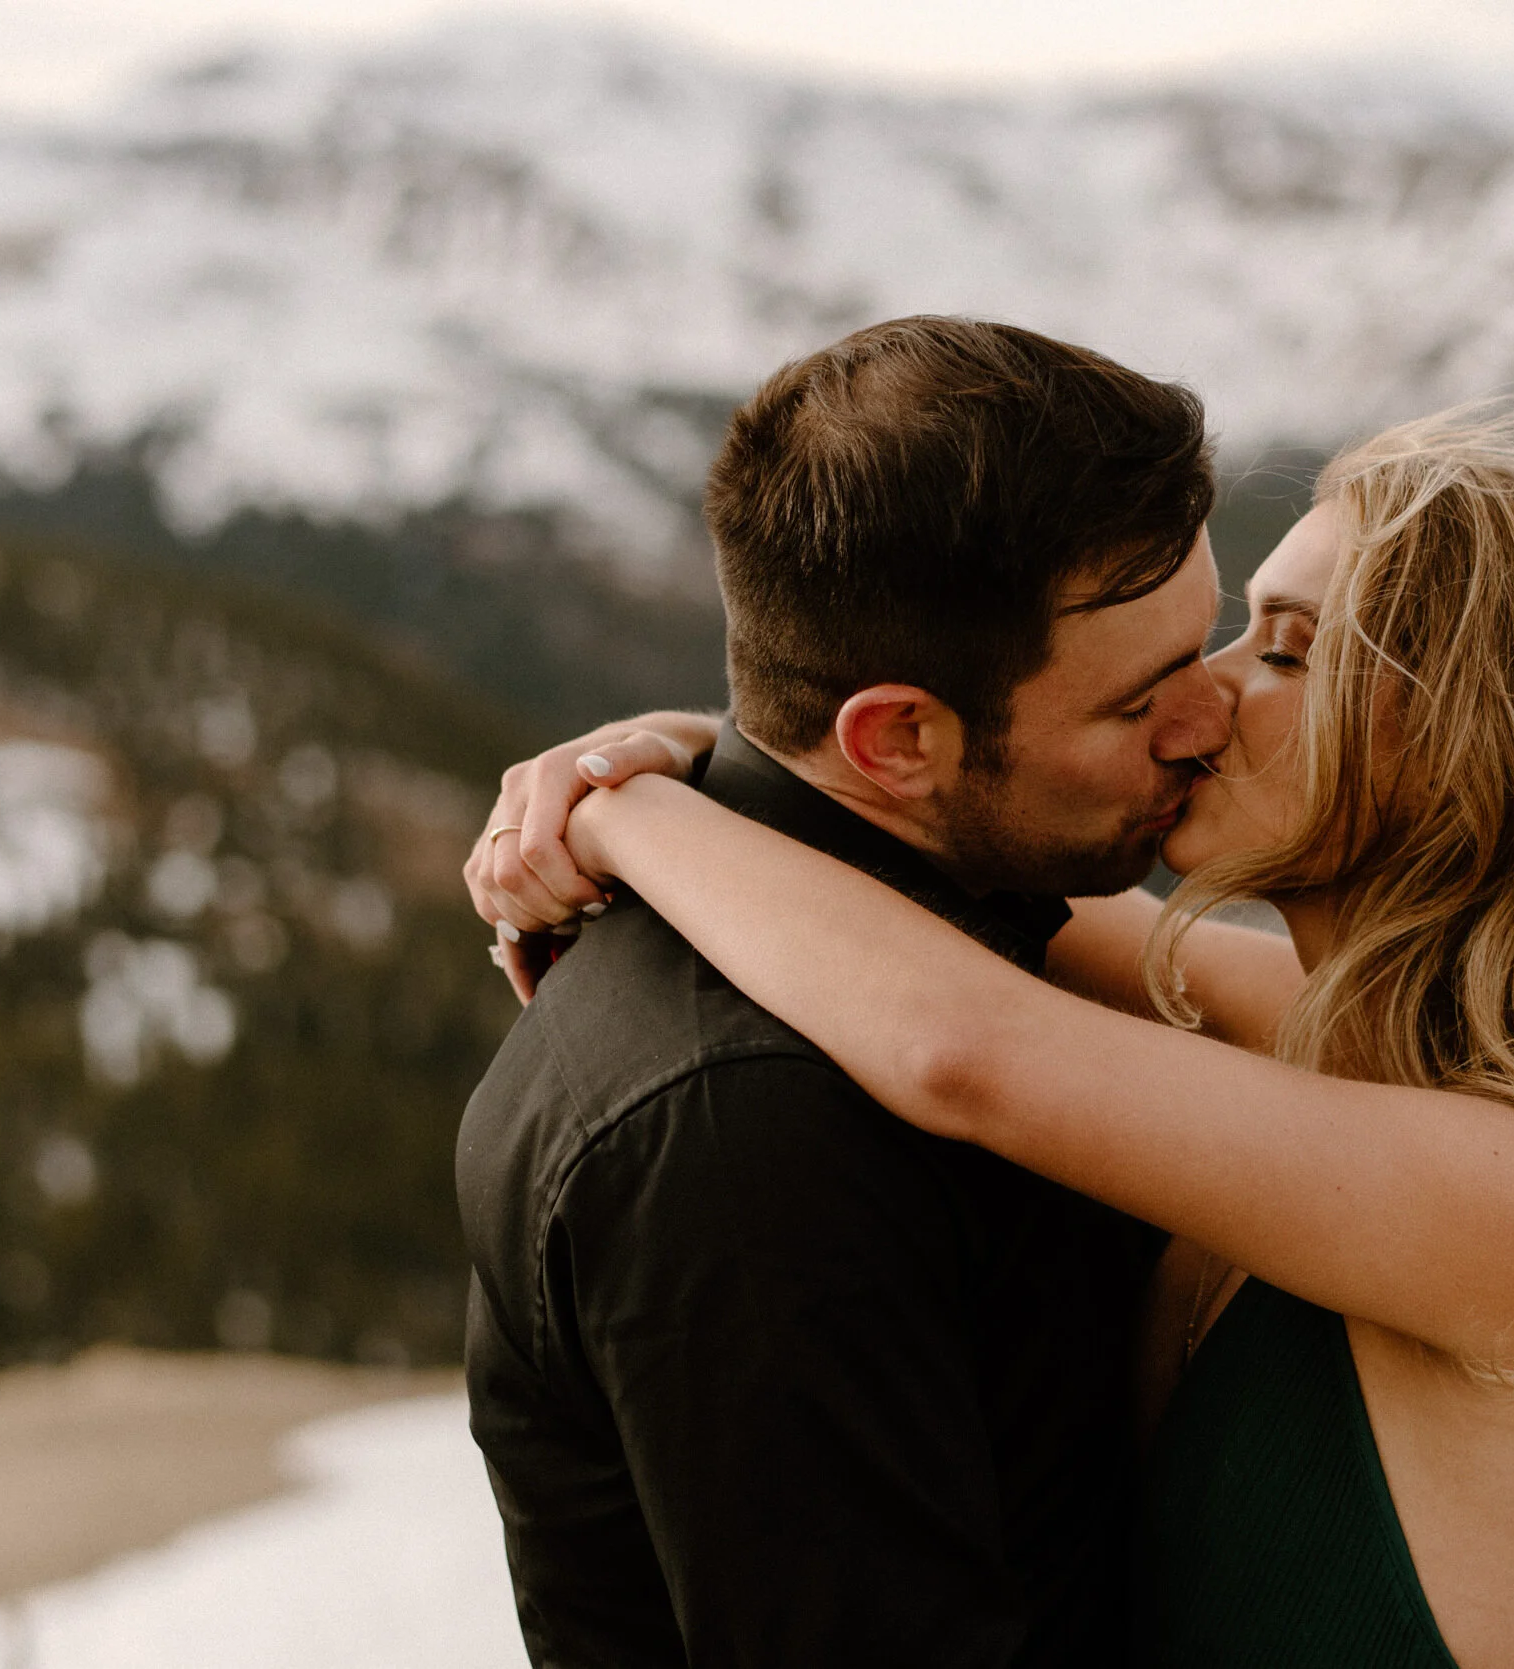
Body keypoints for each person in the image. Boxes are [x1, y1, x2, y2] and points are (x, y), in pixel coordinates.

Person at [474, 405, 1514, 1667]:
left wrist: (623, 809)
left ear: (1462, 757)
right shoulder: (1336, 1042)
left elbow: (960, 1042)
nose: (1202, 700)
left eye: (1289, 652)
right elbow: (936, 907)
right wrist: (693, 749)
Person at [454, 315, 1234, 1668]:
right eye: (1138, 702)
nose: (1211, 721)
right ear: (898, 740)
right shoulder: (746, 1132)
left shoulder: (966, 914)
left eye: (1208, 648)